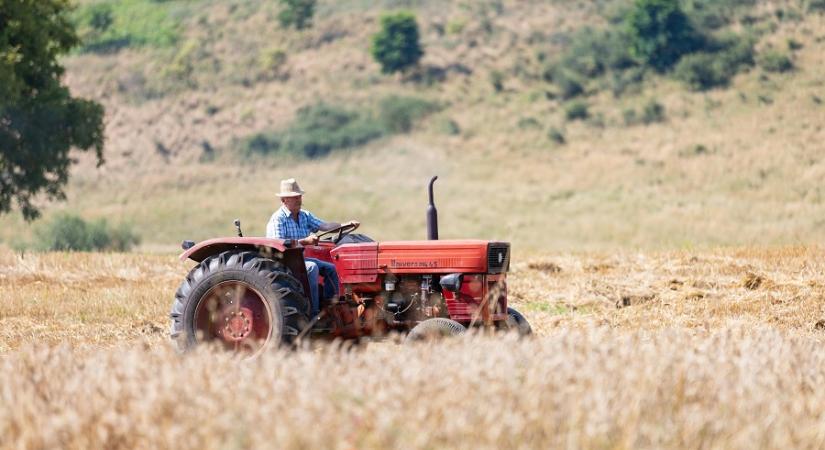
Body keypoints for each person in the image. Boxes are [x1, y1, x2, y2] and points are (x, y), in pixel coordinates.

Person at [265, 178, 358, 317]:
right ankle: (313, 313)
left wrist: (344, 225)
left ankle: (330, 307)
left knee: (332, 269)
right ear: (284, 200)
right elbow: (280, 246)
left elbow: (324, 226)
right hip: (284, 263)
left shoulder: (304, 215)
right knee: (312, 267)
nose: (298, 200)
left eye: (299, 196)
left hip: (301, 260)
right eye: (294, 197)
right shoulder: (277, 219)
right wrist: (306, 241)